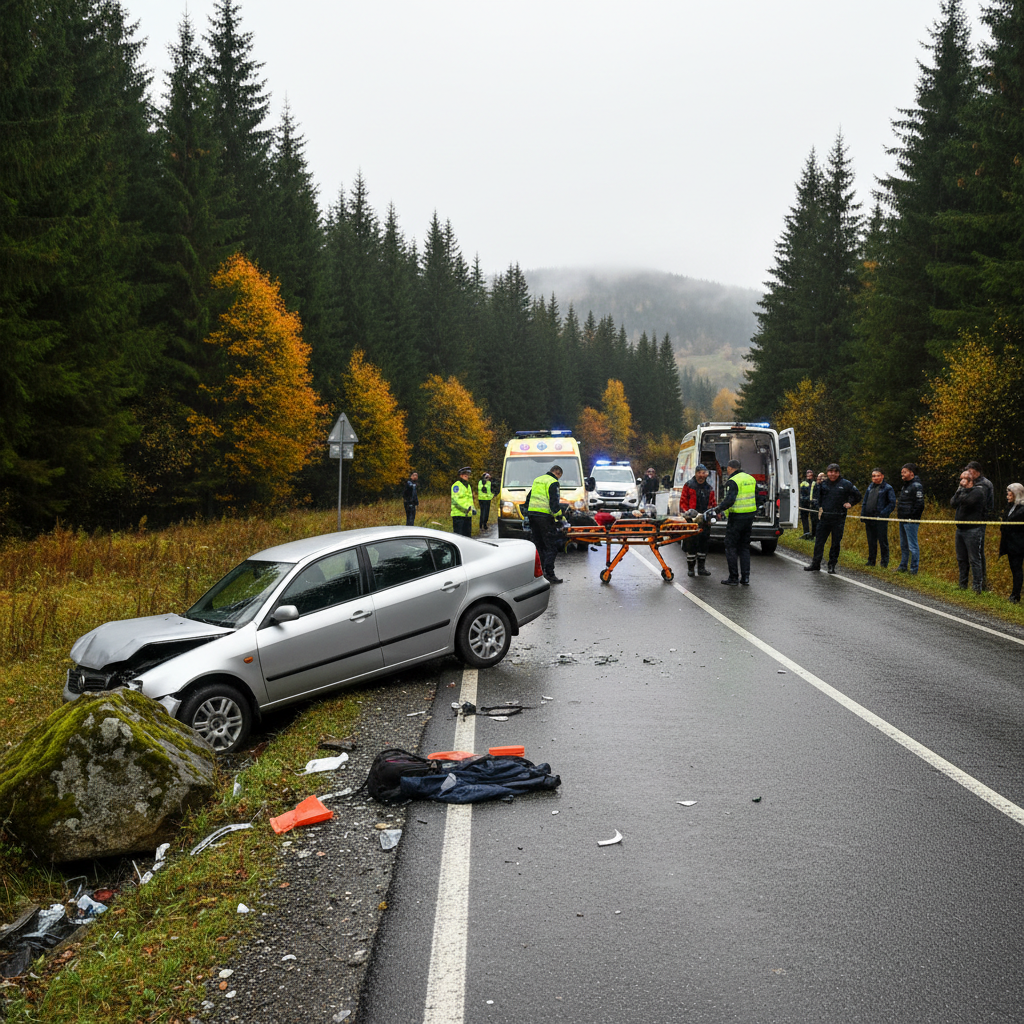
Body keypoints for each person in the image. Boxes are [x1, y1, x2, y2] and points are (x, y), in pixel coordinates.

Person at [804, 463, 861, 574]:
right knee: (819, 542)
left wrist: (850, 503)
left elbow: (857, 495)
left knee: (835, 543)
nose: (833, 474)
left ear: (838, 473)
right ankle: (816, 564)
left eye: (835, 472)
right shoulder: (823, 484)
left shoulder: (846, 484)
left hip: (838, 518)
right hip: (824, 517)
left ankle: (831, 565)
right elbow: (816, 497)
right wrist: (818, 507)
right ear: (827, 472)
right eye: (830, 471)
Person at [709, 459, 756, 586]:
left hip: (737, 518)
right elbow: (757, 496)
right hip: (749, 516)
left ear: (730, 468)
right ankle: (745, 578)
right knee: (744, 547)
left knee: (730, 546)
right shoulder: (751, 479)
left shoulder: (733, 481)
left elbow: (730, 500)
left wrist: (718, 509)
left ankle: (733, 577)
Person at [527, 465, 565, 583]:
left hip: (533, 516)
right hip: (544, 518)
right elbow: (554, 503)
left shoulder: (537, 480)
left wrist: (527, 514)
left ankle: (538, 574)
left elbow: (528, 498)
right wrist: (560, 518)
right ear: (558, 473)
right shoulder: (553, 482)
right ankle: (550, 574)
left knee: (539, 546)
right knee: (551, 546)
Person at [951, 469, 986, 592]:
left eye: (963, 479)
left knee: (974, 559)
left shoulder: (978, 491)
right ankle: (962, 584)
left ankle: (977, 587)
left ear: (970, 480)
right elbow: (953, 503)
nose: (961, 481)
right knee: (961, 558)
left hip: (973, 530)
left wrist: (963, 492)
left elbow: (968, 502)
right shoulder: (961, 490)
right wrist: (959, 490)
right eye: (961, 479)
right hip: (960, 530)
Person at [680, 463, 715, 577]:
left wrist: (713, 515)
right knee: (691, 545)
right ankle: (691, 568)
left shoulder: (709, 488)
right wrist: (688, 514)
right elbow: (683, 502)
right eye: (699, 473)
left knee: (703, 544)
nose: (701, 475)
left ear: (706, 475)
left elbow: (712, 504)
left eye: (703, 473)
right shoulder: (689, 485)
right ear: (695, 473)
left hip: (704, 520)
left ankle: (701, 568)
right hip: (691, 520)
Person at [966, 460, 995, 589]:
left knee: (978, 552)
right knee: (967, 553)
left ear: (976, 471)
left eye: (970, 470)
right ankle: (968, 581)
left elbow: (985, 504)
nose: (968, 473)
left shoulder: (985, 484)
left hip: (979, 522)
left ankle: (981, 582)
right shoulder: (968, 482)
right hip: (966, 521)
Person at [861, 468, 896, 567]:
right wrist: (863, 515)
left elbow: (892, 503)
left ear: (882, 476)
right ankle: (871, 561)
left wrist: (882, 514)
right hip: (869, 518)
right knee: (871, 541)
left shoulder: (887, 488)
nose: (875, 478)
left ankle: (884, 563)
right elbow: (865, 502)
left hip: (880, 519)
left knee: (882, 541)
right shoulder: (870, 487)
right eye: (873, 476)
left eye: (877, 475)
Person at [896, 463, 925, 574]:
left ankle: (913, 569)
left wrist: (912, 517)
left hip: (911, 521)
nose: (902, 474)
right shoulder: (905, 485)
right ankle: (903, 566)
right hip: (902, 519)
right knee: (904, 544)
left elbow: (920, 504)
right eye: (902, 472)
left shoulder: (916, 486)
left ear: (911, 473)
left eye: (905, 472)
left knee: (912, 545)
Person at [999, 483, 1024, 604]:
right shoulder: (1010, 506)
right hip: (1010, 544)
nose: (1008, 496)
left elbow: (1012, 522)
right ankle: (1014, 594)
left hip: (1019, 545)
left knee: (1017, 570)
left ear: (1016, 494)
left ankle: (1016, 595)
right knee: (1014, 569)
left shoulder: (1022, 508)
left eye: (1010, 493)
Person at [450, 466, 477, 537]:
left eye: (468, 474)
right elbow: (455, 501)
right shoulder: (456, 486)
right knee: (459, 536)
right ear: (460, 475)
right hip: (459, 515)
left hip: (467, 515)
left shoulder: (468, 486)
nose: (467, 476)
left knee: (467, 536)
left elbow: (470, 500)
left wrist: (473, 509)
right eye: (465, 475)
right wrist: (464, 510)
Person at [799, 468, 815, 539]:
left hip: (813, 504)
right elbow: (802, 493)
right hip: (804, 503)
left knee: (813, 519)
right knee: (804, 519)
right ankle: (806, 533)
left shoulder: (815, 482)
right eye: (807, 473)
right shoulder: (803, 483)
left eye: (810, 472)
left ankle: (813, 534)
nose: (809, 474)